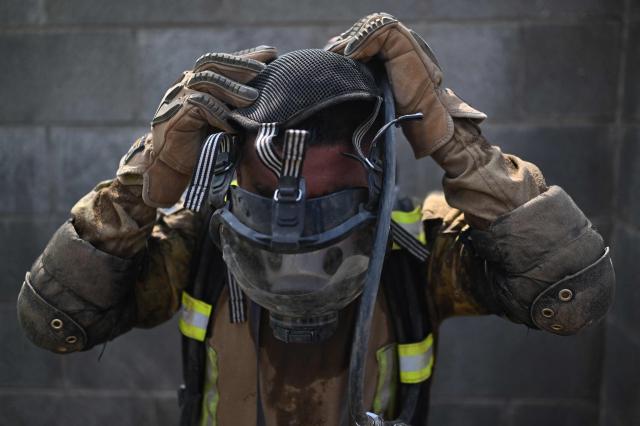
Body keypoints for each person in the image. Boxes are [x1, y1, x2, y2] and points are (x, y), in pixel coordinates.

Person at [16, 13, 615, 426]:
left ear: (374, 180)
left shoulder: (419, 252)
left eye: (332, 201)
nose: (297, 235)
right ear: (234, 177)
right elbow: (58, 322)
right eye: (274, 196)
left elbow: (568, 297)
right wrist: (141, 183)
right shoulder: (197, 247)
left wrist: (452, 140)